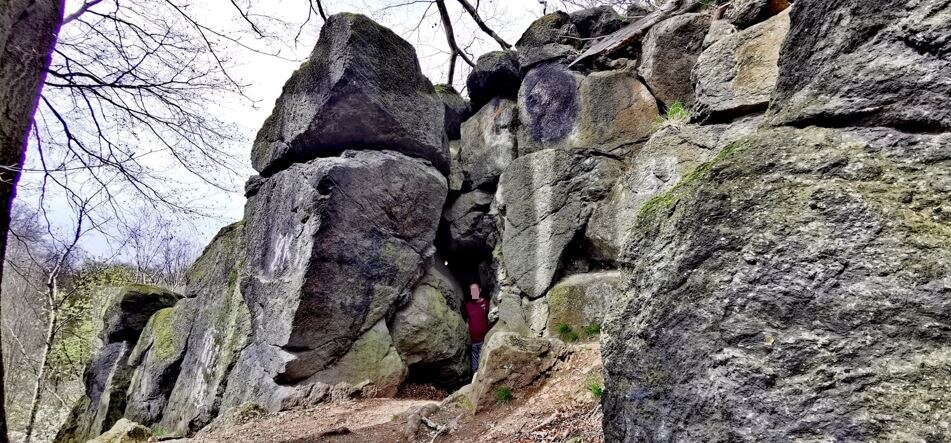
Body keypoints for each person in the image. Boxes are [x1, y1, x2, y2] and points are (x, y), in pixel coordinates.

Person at [464, 282, 490, 375]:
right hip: (474, 344)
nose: (473, 292)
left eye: (475, 290)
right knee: (475, 369)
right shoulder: (468, 305)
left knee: (485, 367)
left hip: (485, 341)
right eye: (472, 290)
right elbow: (467, 321)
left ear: (480, 290)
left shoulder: (486, 303)